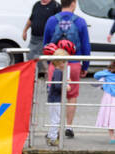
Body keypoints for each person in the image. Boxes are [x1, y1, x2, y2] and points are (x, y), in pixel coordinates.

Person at [43, 0, 90, 137]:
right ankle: (68, 128)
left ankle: (54, 129)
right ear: (73, 3)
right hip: (74, 62)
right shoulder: (80, 22)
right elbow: (86, 45)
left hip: (56, 63)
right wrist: (85, 66)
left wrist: (49, 63)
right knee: (72, 95)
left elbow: (46, 44)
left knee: (55, 96)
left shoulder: (52, 20)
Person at [23, 0, 60, 75]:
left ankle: (45, 76)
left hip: (46, 39)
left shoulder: (56, 6)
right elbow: (31, 19)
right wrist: (25, 30)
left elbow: (59, 22)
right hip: (34, 39)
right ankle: (32, 76)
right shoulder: (36, 5)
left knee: (43, 62)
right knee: (30, 57)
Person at [96, 59, 115, 142]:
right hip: (110, 97)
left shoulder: (107, 74)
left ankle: (112, 137)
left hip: (109, 97)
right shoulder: (108, 74)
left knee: (110, 116)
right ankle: (112, 137)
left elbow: (96, 75)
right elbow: (96, 75)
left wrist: (107, 71)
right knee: (111, 116)